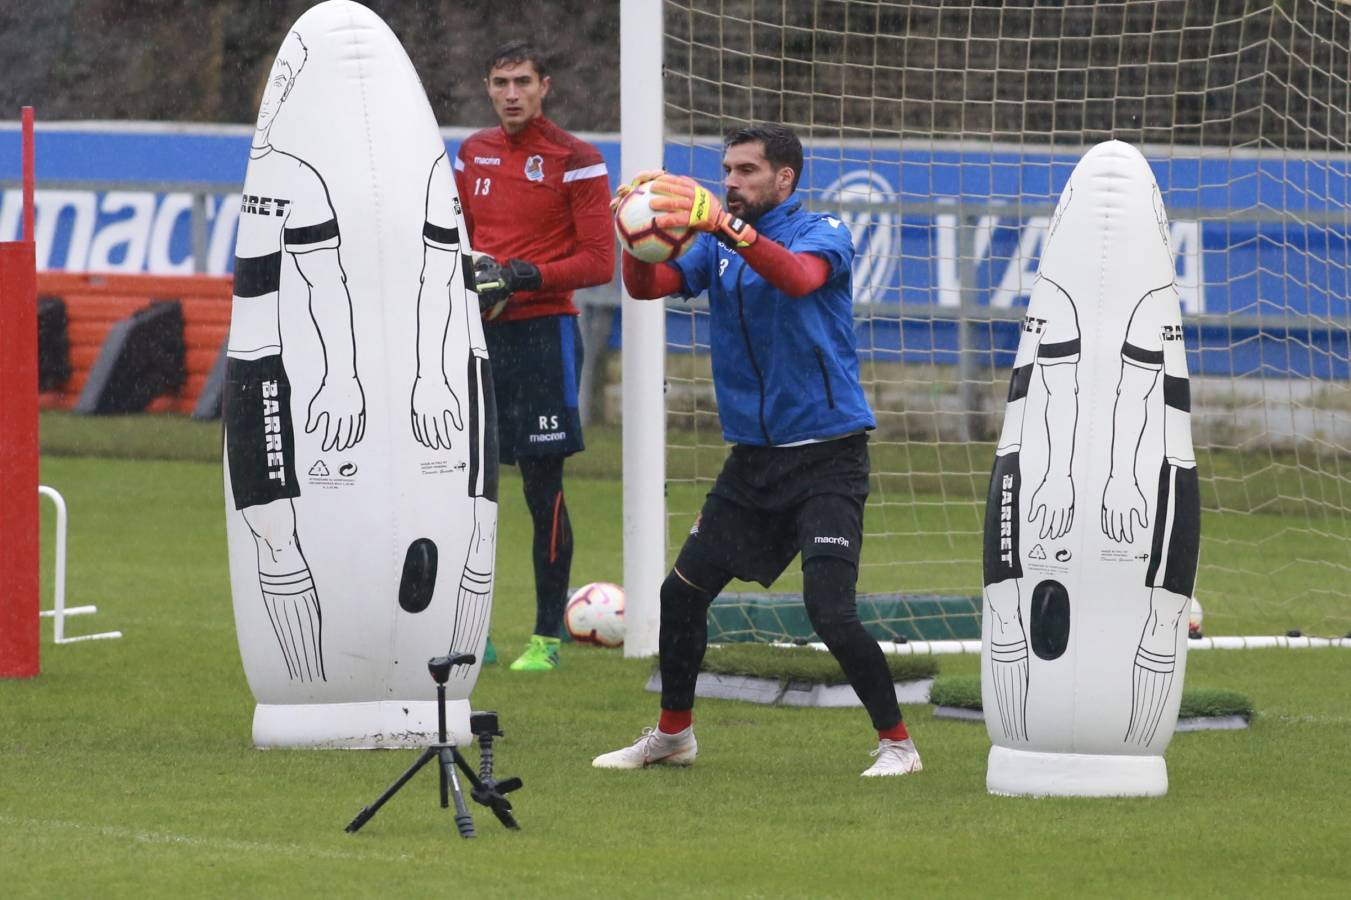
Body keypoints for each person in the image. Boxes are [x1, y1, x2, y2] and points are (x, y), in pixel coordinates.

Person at [592, 123, 921, 777]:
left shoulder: (822, 233)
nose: (731, 183)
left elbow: (797, 280)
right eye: (727, 172)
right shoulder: (716, 246)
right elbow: (645, 286)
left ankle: (898, 745)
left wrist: (724, 227)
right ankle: (672, 736)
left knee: (829, 610)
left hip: (827, 455)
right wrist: (630, 232)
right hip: (752, 462)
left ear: (783, 178)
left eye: (745, 171)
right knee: (680, 596)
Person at [454, 40, 615, 672]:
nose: (512, 93)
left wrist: (521, 276)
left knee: (541, 488)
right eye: (501, 82)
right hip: (477, 337)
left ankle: (547, 637)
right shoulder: (472, 153)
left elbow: (599, 262)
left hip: (544, 335)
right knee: (468, 488)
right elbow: (461, 238)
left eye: (523, 81)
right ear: (489, 87)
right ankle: (472, 632)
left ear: (544, 85)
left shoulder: (577, 160)